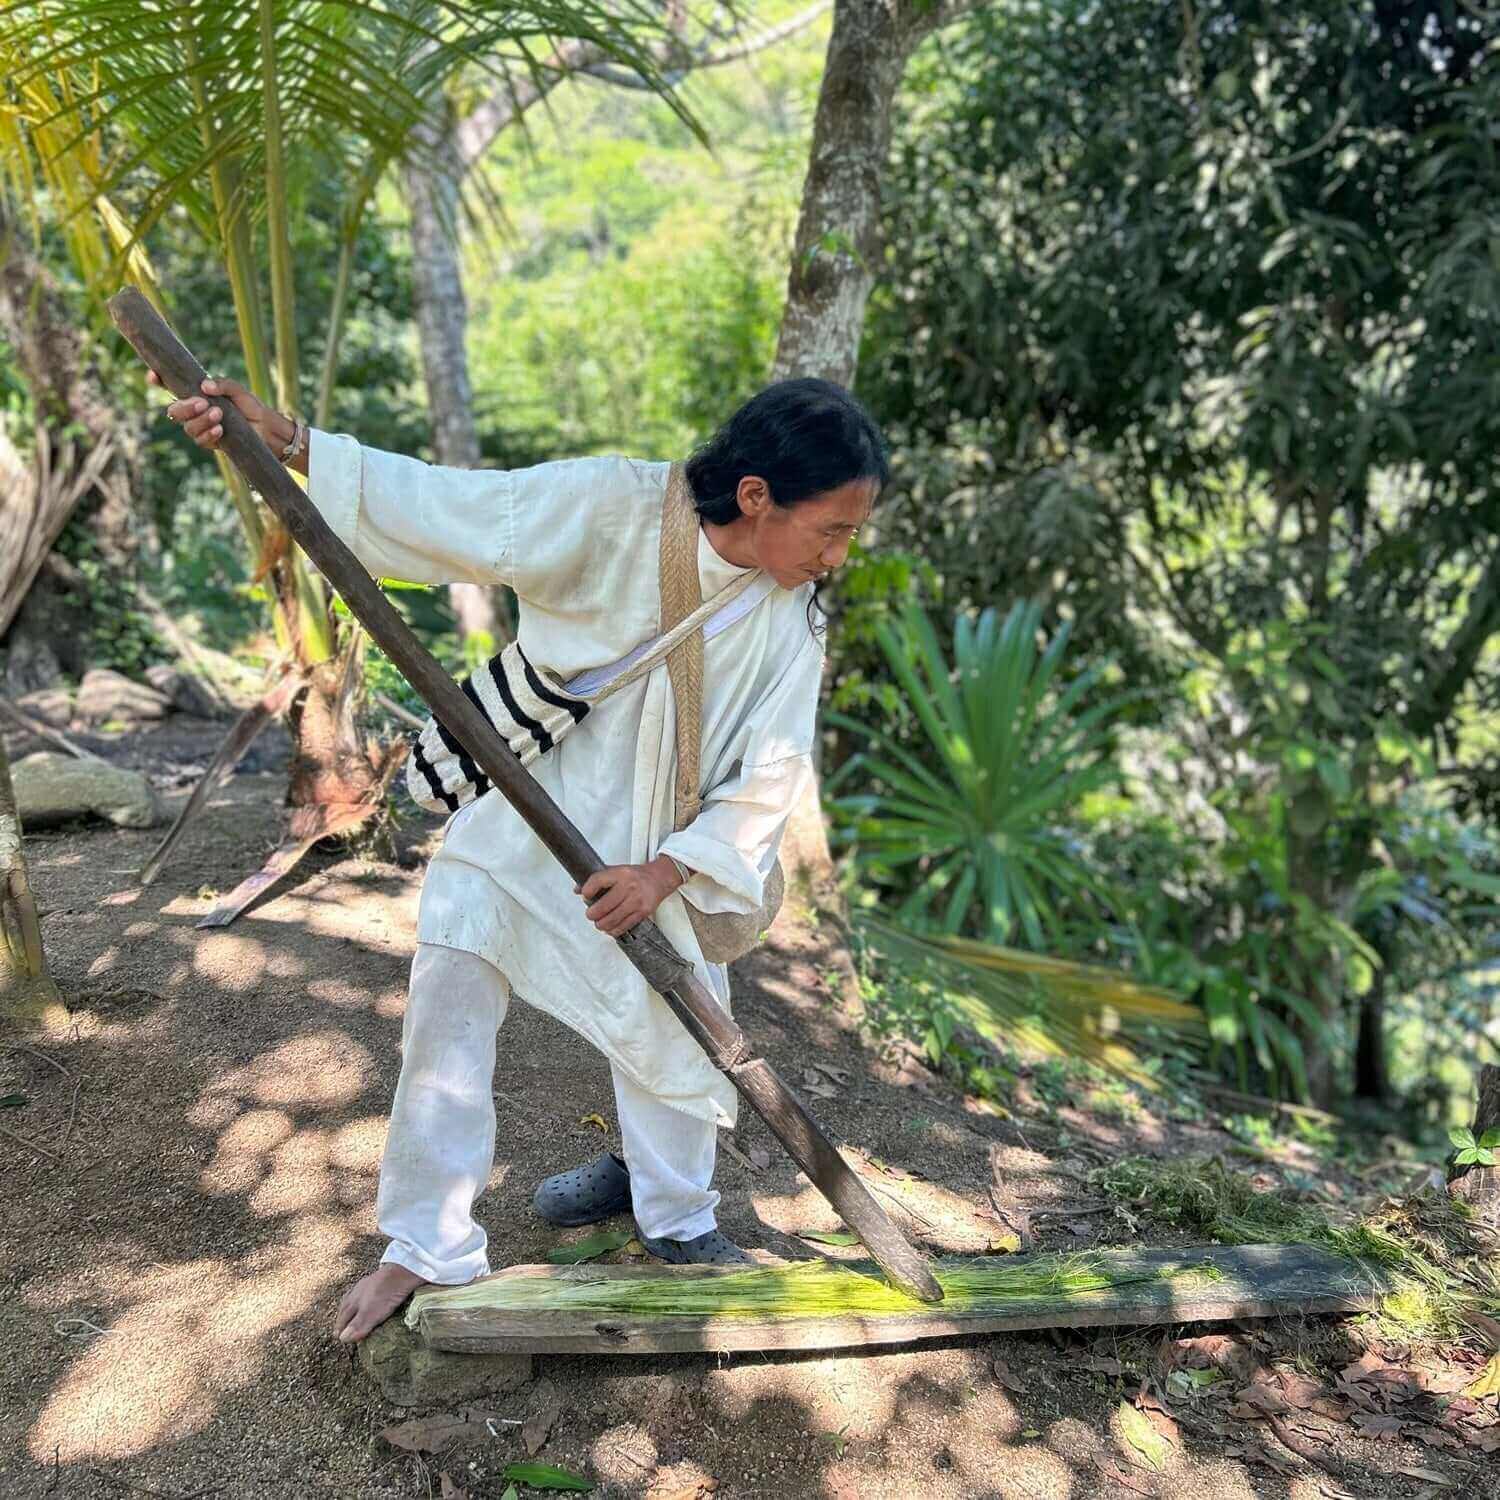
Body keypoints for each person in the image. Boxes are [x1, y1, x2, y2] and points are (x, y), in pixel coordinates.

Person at [153, 369, 886, 1341]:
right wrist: (289, 443)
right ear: (757, 496)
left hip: (657, 851)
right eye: (831, 530)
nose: (837, 556)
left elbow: (771, 773)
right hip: (525, 811)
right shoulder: (614, 504)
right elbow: (457, 510)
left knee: (678, 1021)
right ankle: (425, 1244)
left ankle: (673, 1215)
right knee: (451, 984)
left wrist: (666, 872)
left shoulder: (790, 617)